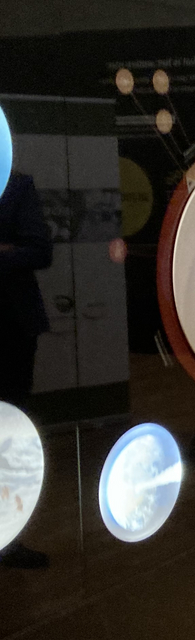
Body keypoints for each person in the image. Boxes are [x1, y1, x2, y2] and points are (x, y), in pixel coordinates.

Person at [0, 171, 53, 569]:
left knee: (12, 436)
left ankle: (9, 538)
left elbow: (40, 250)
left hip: (10, 329)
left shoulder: (16, 185)